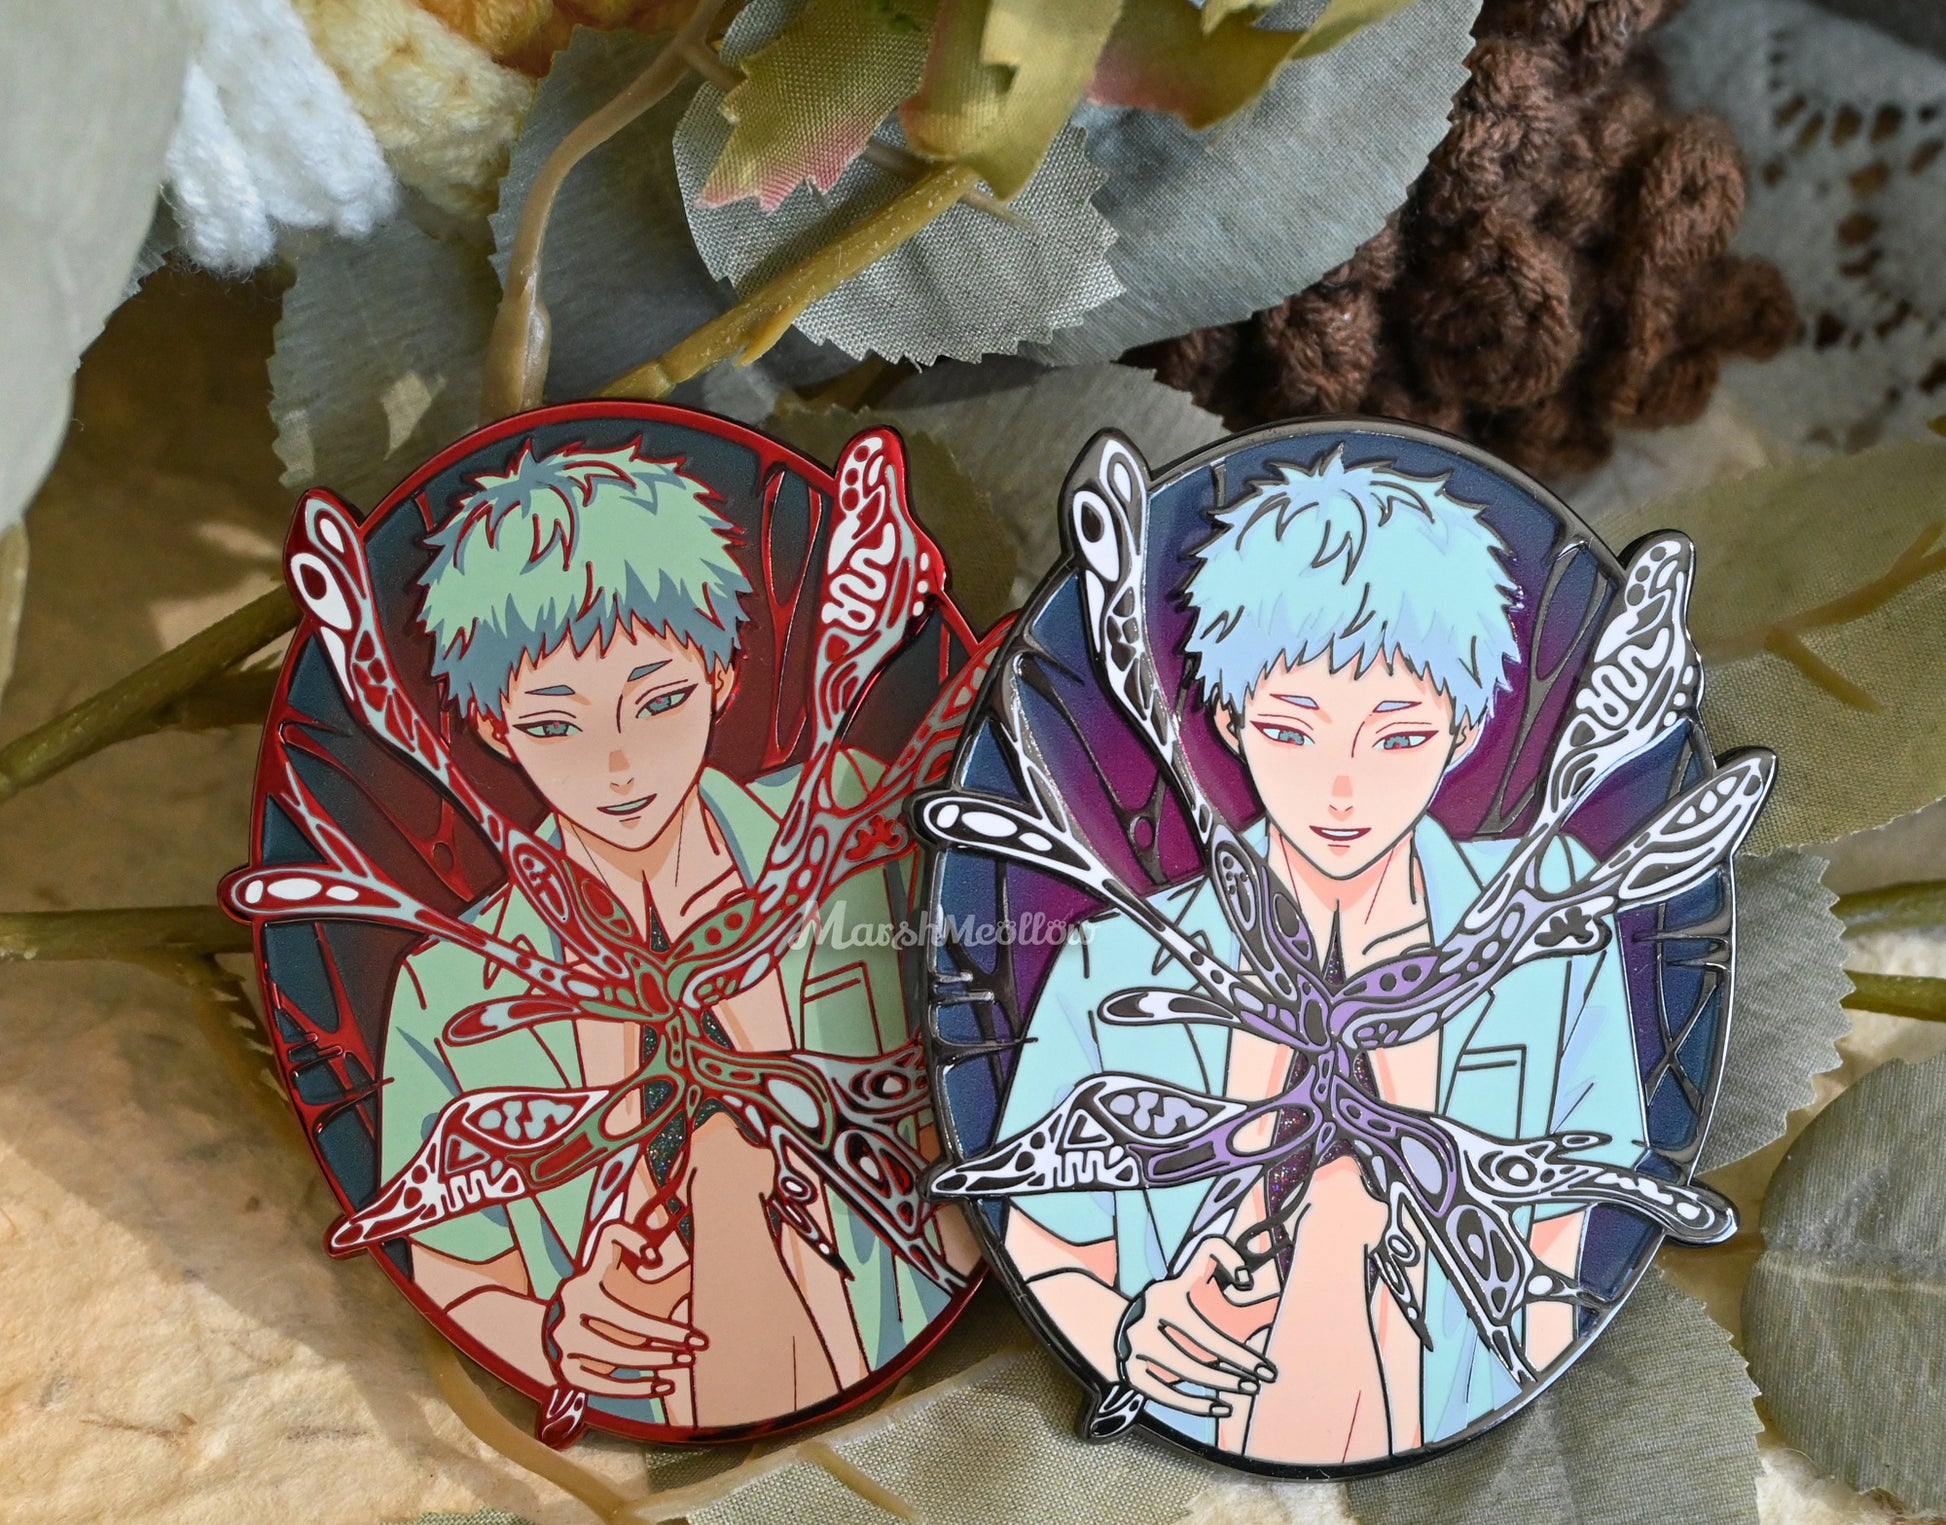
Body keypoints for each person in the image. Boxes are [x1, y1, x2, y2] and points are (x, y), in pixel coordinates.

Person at [995, 448, 1647, 1465]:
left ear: (1464, 728)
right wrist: (1127, 1334)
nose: (1342, 791)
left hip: (1452, 1429)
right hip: (1197, 1447)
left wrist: (1492, 1428)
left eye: (1396, 738)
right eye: (1293, 732)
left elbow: (1561, 1253)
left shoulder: (1547, 925)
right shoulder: (1114, 964)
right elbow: (1043, 1248)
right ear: (1227, 720)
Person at [379, 438, 952, 1430]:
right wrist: (556, 1333)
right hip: (646, 1420)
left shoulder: (854, 824)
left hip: (912, 1370)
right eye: (555, 724)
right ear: (491, 726)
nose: (619, 764)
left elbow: (990, 1069)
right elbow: (457, 1276)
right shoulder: (449, 987)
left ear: (721, 675)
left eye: (657, 700)